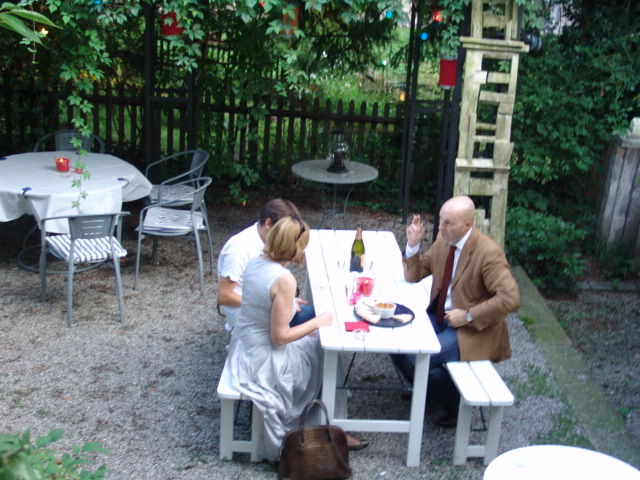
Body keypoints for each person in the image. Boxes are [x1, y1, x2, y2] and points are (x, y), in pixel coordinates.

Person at [228, 216, 368, 462]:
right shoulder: (284, 279)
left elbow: (261, 300)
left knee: (318, 343)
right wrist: (317, 321)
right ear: (295, 246)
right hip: (264, 360)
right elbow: (279, 337)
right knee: (325, 348)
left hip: (245, 347)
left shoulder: (256, 261)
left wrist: (290, 304)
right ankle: (329, 427)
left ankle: (329, 423)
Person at [392, 196, 520, 427]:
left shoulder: (488, 253)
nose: (440, 227)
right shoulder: (444, 241)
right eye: (440, 220)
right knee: (396, 342)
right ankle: (428, 392)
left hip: (473, 329)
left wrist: (469, 315)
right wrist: (413, 245)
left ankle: (456, 406)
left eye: (448, 223)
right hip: (441, 316)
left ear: (467, 224)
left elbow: (510, 299)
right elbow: (414, 275)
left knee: (418, 360)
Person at [217, 198, 314, 331]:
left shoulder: (263, 242)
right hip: (247, 320)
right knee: (318, 317)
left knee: (318, 314)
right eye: (283, 231)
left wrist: (284, 301)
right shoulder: (239, 249)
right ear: (268, 223)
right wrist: (277, 305)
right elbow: (223, 297)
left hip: (261, 309)